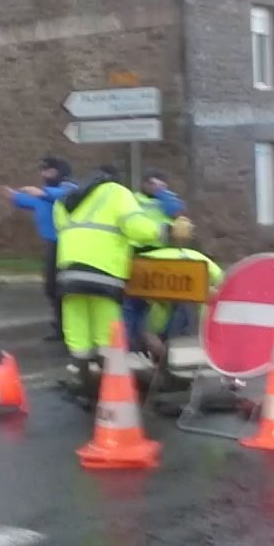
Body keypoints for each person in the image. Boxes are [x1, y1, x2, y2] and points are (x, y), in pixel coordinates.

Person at [53, 164, 194, 392]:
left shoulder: (66, 200)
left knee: (77, 326)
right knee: (107, 330)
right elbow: (136, 227)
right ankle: (112, 382)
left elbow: (63, 230)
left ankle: (82, 378)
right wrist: (169, 231)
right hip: (104, 272)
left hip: (68, 272)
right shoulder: (116, 192)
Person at [5, 157, 75, 341]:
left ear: (60, 172)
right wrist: (13, 196)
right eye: (43, 170)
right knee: (51, 286)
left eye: (49, 171)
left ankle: (66, 326)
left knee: (63, 286)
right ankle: (60, 323)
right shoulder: (44, 194)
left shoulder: (69, 188)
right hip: (51, 244)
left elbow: (63, 195)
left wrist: (42, 193)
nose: (44, 174)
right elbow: (32, 202)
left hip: (66, 244)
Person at [133, 170, 185, 253]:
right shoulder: (134, 197)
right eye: (150, 183)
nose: (152, 186)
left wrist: (164, 196)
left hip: (161, 245)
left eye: (155, 184)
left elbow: (178, 215)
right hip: (137, 245)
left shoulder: (169, 198)